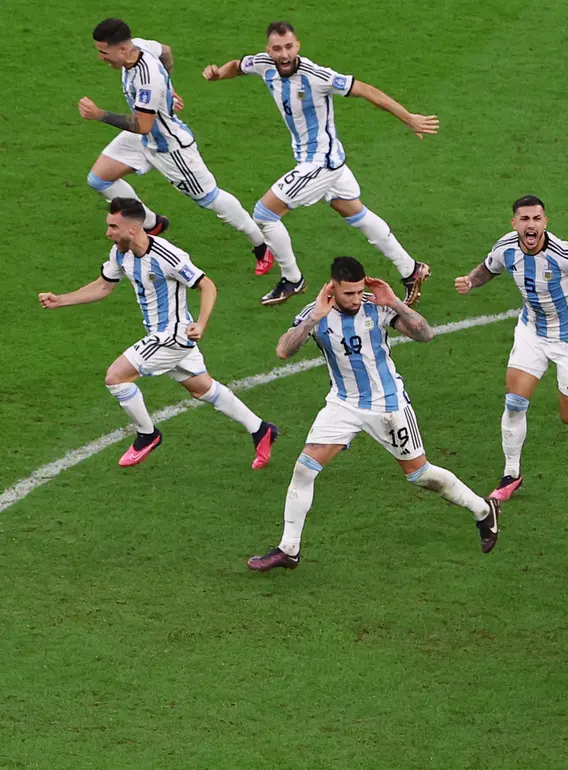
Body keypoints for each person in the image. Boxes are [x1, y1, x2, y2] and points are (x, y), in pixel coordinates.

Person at [247, 257, 499, 571]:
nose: (354, 299)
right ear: (333, 287)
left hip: (388, 405)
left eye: (358, 291)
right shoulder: (316, 313)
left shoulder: (376, 306)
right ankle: (289, 549)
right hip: (343, 404)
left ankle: (482, 510)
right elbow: (283, 350)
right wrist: (314, 318)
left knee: (420, 475)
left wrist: (395, 303)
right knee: (304, 469)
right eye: (347, 293)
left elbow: (425, 335)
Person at [202, 21, 437, 305]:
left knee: (264, 213)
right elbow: (238, 65)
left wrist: (408, 118)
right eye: (278, 49)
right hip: (322, 159)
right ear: (269, 50)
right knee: (356, 214)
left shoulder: (316, 76)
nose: (284, 54)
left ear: (298, 45)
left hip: (321, 163)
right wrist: (218, 75)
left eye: (289, 47)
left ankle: (292, 279)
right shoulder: (264, 64)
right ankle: (411, 269)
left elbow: (365, 89)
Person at [38, 199, 277, 468]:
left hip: (173, 336)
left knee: (116, 378)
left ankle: (147, 434)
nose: (108, 233)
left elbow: (207, 286)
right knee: (202, 389)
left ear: (133, 228)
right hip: (160, 334)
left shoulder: (168, 256)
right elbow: (104, 286)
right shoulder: (120, 252)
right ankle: (261, 429)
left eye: (113, 227)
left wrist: (201, 323)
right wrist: (61, 300)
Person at [454, 195, 568, 502]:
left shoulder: (564, 253)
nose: (531, 225)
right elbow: (490, 267)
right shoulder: (506, 247)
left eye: (536, 218)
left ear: (545, 222)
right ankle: (511, 474)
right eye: (524, 219)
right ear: (514, 223)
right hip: (531, 331)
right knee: (514, 402)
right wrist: (471, 282)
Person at [82, 19, 273, 275]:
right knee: (98, 179)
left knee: (210, 198)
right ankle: (151, 222)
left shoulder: (146, 78)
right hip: (144, 139)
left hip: (169, 149)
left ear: (122, 49)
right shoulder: (140, 46)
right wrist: (168, 90)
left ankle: (261, 245)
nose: (101, 58)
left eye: (104, 52)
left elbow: (143, 125)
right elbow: (167, 51)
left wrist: (100, 114)